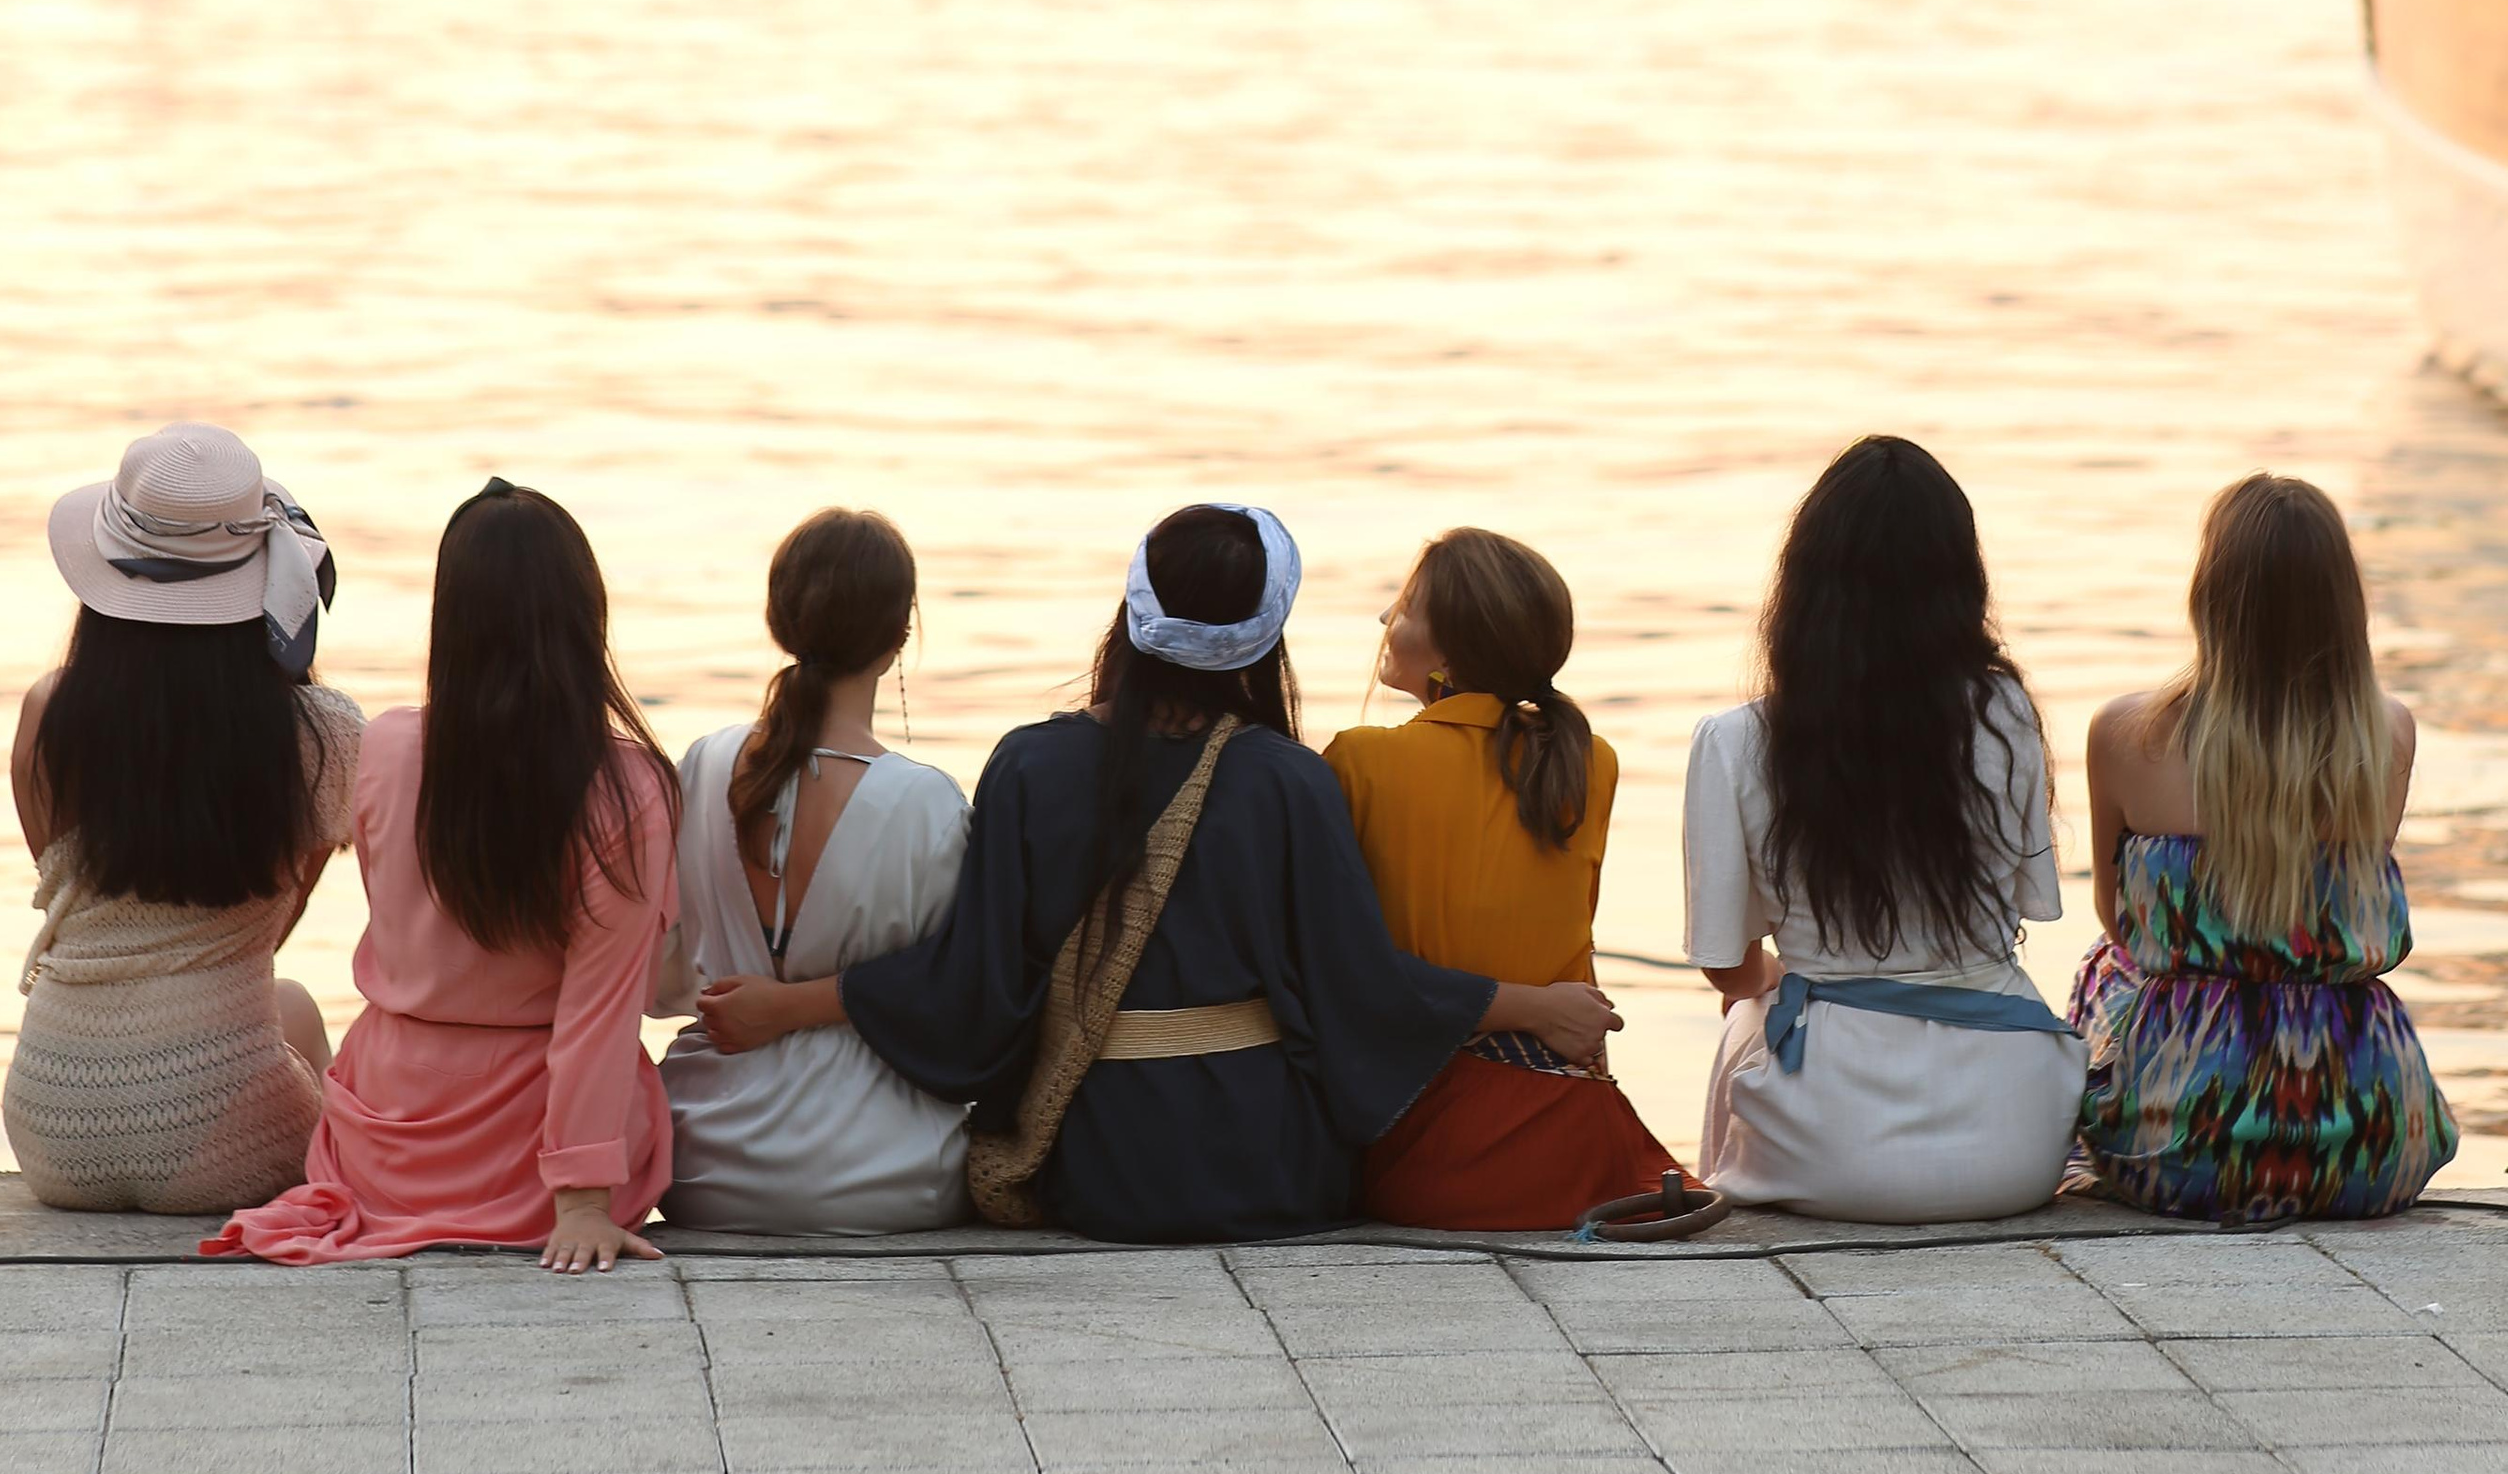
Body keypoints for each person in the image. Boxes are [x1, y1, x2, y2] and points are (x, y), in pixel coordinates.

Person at [771, 500, 1620, 1239]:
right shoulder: (1291, 779)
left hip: (1098, 1167)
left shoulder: (1029, 765)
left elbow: (977, 988)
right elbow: (1358, 988)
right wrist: (1534, 1009)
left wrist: (796, 1005)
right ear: (1265, 637)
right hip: (1271, 1170)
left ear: (1132, 615)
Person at [207, 480, 679, 1270]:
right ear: (584, 614)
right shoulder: (629, 788)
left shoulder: (386, 747)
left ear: (451, 618)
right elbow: (599, 1012)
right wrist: (583, 1201)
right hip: (533, 1163)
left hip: (384, 1142)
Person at [1683, 437, 2085, 1221]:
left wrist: (1805, 986)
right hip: (2013, 1145)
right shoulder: (2006, 719)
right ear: (1960, 581)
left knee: (1748, 1019)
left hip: (1830, 1147)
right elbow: (2033, 906)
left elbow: (1729, 969)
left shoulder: (1734, 743)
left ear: (1802, 589)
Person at [2072, 472, 2456, 1221]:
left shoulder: (2126, 734)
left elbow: (2121, 923)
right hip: (2369, 1143)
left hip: (2183, 1146)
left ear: (2209, 594)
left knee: (2102, 966)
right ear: (2346, 604)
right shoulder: (2385, 735)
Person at [3, 422, 360, 1216]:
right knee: (291, 1002)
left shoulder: (50, 711)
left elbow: (56, 883)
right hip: (225, 1137)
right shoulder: (325, 736)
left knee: (287, 1001)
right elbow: (279, 921)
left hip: (52, 1126)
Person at [1325, 528, 1698, 1226]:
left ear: (1447, 654)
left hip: (1426, 1153)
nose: (1383, 622)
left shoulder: (1359, 761)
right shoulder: (1592, 760)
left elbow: (1349, 972)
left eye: (1403, 609)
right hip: (1572, 1138)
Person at [662, 508, 972, 1231]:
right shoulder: (926, 801)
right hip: (881, 1167)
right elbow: (949, 993)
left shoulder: (703, 764)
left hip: (699, 1156)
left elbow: (660, 973)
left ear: (777, 617)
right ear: (899, 638)